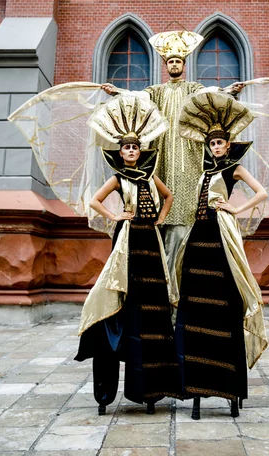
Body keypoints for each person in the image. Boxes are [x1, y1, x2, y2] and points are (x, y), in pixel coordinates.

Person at [101, 29, 245, 279]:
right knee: (162, 198)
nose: (175, 65)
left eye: (178, 61)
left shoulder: (193, 88)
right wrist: (117, 93)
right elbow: (137, 98)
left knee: (190, 207)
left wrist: (230, 92)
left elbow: (211, 96)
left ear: (184, 65)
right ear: (166, 66)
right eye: (171, 61)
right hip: (162, 154)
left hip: (189, 155)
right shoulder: (156, 91)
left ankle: (184, 277)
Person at [74, 93, 180, 415]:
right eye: (126, 148)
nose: (131, 151)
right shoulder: (119, 177)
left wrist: (161, 219)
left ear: (140, 150)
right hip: (128, 238)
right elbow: (94, 201)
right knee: (127, 288)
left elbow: (169, 196)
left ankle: (150, 384)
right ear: (120, 153)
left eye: (135, 147)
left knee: (152, 296)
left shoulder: (149, 175)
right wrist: (116, 216)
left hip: (151, 238)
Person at [174, 89, 269, 420]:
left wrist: (236, 209)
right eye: (212, 143)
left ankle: (227, 383)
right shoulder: (205, 170)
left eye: (220, 143)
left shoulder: (234, 169)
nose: (216, 147)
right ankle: (198, 382)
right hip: (199, 237)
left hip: (221, 235)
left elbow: (263, 192)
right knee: (197, 303)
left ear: (228, 144)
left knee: (224, 299)